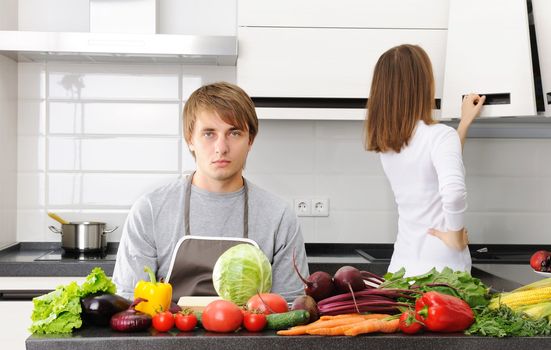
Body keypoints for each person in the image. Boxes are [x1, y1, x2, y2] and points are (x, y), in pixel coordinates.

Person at [113, 82, 309, 302]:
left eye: (234, 133)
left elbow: (291, 306)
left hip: (252, 337)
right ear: (190, 139)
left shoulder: (279, 216)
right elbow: (130, 302)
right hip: (169, 335)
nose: (221, 147)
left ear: (250, 140)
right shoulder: (150, 210)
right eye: (209, 134)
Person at [364, 44, 485, 277]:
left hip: (402, 266)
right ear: (423, 85)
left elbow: (436, 162)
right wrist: (455, 233)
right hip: (443, 272)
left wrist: (463, 124)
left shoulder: (388, 144)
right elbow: (454, 192)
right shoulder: (439, 136)